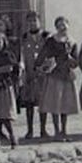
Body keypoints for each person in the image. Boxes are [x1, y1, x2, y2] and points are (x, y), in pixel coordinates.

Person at [38, 17, 80, 141]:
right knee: (55, 104)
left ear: (68, 25)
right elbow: (42, 56)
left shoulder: (72, 42)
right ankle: (56, 131)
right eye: (59, 24)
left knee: (65, 105)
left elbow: (76, 61)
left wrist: (72, 60)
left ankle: (64, 131)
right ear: (56, 27)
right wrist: (42, 66)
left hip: (66, 75)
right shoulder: (51, 41)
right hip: (54, 75)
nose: (62, 27)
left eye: (64, 24)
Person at [18, 12, 48, 141]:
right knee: (29, 103)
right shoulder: (24, 38)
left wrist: (44, 68)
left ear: (39, 22)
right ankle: (30, 130)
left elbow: (49, 54)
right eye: (29, 21)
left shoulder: (46, 36)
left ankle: (43, 129)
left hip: (42, 74)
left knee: (43, 103)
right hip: (29, 73)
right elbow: (22, 55)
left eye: (34, 21)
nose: (32, 23)